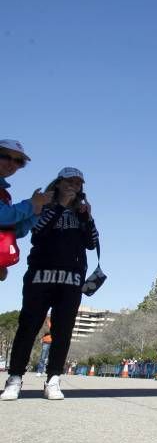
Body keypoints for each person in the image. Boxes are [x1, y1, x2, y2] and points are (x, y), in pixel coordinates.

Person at [1, 167, 99, 401]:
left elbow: (92, 243)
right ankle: (15, 378)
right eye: (69, 182)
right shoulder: (44, 204)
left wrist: (87, 218)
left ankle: (53, 378)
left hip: (71, 279)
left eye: (78, 183)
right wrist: (60, 205)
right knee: (28, 326)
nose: (74, 187)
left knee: (63, 330)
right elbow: (38, 232)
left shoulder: (82, 211)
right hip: (40, 276)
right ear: (58, 183)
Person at [0, 139, 51, 282]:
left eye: (18, 161)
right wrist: (32, 204)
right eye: (6, 157)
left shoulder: (5, 194)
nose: (12, 164)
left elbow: (16, 231)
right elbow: (2, 216)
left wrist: (36, 211)